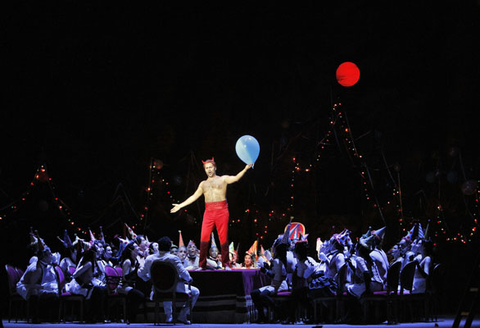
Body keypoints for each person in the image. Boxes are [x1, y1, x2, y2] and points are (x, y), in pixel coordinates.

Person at [171, 158, 252, 269]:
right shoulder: (203, 184)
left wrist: (245, 169)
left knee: (223, 238)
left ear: (215, 168)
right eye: (206, 168)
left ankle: (226, 264)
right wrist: (180, 205)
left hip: (222, 210)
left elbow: (235, 178)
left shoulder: (222, 179)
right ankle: (202, 265)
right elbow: (194, 196)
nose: (209, 170)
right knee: (204, 237)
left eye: (210, 167)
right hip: (209, 211)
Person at [154, 236, 200, 324]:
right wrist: (189, 279)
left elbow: (141, 274)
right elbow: (183, 273)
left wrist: (149, 278)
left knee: (165, 287)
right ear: (169, 248)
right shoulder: (173, 258)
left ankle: (169, 317)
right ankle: (180, 315)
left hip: (158, 287)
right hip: (171, 287)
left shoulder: (150, 259)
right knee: (195, 291)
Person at [251, 237, 289, 323]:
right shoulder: (277, 261)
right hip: (275, 284)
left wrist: (265, 271)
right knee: (254, 293)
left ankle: (280, 313)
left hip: (280, 285)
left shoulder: (278, 261)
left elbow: (276, 277)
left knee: (263, 295)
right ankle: (262, 316)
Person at [117, 242, 145, 323]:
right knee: (139, 295)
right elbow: (124, 278)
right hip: (124, 286)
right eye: (136, 247)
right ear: (131, 250)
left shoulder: (136, 261)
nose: (138, 248)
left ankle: (132, 316)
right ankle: (130, 317)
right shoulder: (128, 262)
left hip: (132, 285)